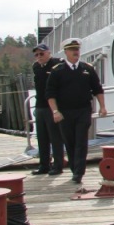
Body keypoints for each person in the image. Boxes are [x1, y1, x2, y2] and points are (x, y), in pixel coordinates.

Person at [45, 38, 106, 184]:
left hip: (83, 110)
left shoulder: (87, 69)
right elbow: (50, 94)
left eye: (77, 50)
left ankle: (79, 172)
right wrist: (55, 111)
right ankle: (74, 168)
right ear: (66, 52)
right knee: (70, 142)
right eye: (72, 50)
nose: (75, 52)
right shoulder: (57, 71)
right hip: (65, 112)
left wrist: (102, 106)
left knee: (81, 141)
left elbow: (97, 89)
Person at [31, 43, 64, 175]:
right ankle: (44, 165)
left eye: (42, 53)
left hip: (53, 106)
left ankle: (58, 165)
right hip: (40, 106)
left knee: (55, 137)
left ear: (48, 53)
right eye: (36, 54)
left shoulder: (57, 64)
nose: (39, 56)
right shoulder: (36, 67)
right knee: (42, 137)